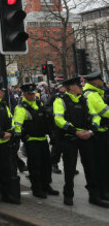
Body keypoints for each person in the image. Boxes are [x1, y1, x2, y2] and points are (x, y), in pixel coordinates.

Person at [54, 76, 109, 207]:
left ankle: (94, 196)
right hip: (70, 138)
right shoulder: (60, 100)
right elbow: (59, 120)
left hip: (86, 137)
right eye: (79, 86)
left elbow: (95, 116)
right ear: (72, 87)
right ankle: (68, 194)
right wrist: (75, 131)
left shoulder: (84, 100)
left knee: (91, 167)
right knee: (70, 168)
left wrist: (91, 131)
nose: (81, 88)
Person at [13, 83, 59, 198]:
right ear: (24, 94)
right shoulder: (21, 108)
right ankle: (37, 189)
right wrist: (19, 139)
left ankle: (46, 185)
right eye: (30, 94)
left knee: (46, 165)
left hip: (43, 139)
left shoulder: (38, 103)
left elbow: (46, 120)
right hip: (32, 141)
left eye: (33, 93)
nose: (33, 95)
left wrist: (52, 134)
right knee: (35, 166)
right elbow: (18, 125)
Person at [83, 71, 109, 200]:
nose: (102, 82)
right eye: (100, 80)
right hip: (97, 134)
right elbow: (105, 112)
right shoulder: (92, 95)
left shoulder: (96, 94)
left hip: (100, 133)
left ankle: (104, 191)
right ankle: (101, 192)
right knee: (101, 164)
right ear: (94, 81)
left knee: (103, 164)